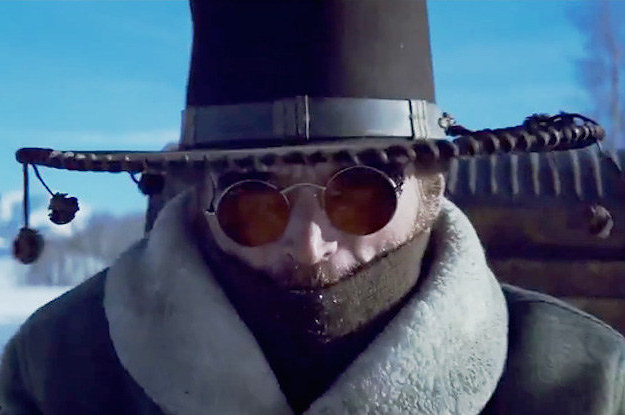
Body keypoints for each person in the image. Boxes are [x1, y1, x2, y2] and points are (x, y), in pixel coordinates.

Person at [0, 1, 622, 414]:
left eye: (362, 195)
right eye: (252, 202)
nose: (309, 243)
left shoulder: (585, 383)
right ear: (199, 196)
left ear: (432, 185)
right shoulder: (60, 369)